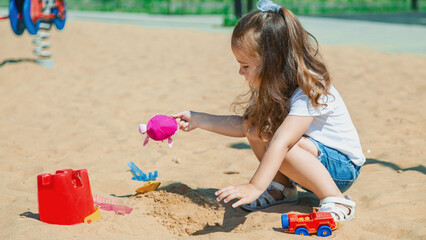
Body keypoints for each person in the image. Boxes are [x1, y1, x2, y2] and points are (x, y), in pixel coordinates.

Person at [172, 0, 364, 222]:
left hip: (340, 168)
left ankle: (336, 199)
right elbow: (246, 126)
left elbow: (283, 141)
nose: (240, 72)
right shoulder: (269, 85)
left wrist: (255, 186)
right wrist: (198, 119)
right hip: (308, 159)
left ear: (273, 62)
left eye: (245, 65)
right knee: (257, 127)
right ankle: (281, 189)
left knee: (281, 141)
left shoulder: (310, 86)